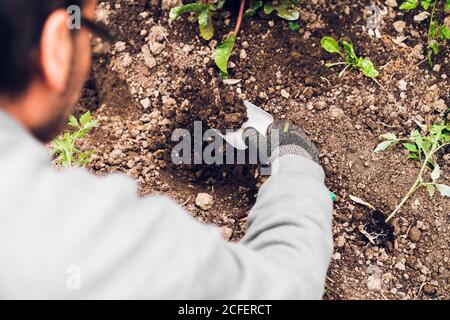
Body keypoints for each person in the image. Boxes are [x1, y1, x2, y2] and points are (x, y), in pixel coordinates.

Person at [0, 0, 333, 299]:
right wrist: (295, 164)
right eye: (89, 29)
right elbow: (284, 288)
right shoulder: (77, 242)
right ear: (57, 47)